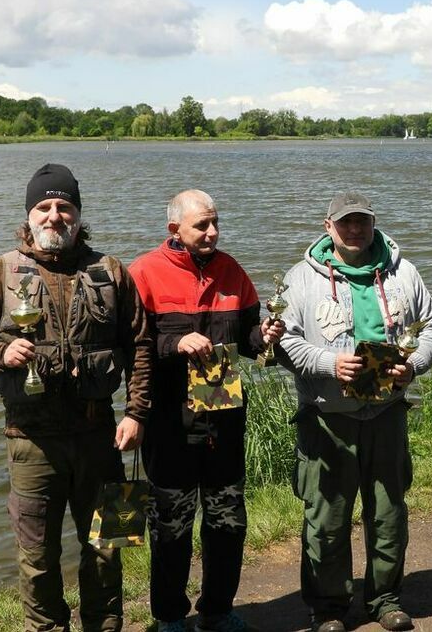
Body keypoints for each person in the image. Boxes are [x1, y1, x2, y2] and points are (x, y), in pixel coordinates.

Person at [0, 163, 152, 632]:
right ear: (29, 215)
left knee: (107, 545)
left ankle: (105, 626)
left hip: (100, 436)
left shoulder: (111, 271)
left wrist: (137, 412)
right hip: (31, 441)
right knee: (37, 556)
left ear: (78, 215)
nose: (54, 215)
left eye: (64, 206)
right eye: (44, 206)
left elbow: (140, 345)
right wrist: (0, 353)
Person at [278, 193, 432, 632]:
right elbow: (284, 342)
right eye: (345, 222)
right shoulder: (301, 278)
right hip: (326, 417)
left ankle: (385, 600)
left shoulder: (403, 272)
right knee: (326, 519)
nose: (355, 230)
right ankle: (328, 608)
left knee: (389, 514)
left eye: (362, 222)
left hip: (387, 414)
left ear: (373, 224)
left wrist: (414, 364)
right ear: (328, 226)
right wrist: (328, 363)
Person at [128, 189, 283, 632]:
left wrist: (265, 336)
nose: (212, 232)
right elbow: (129, 346)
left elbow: (249, 338)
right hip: (169, 425)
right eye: (202, 225)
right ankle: (170, 617)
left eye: (215, 223)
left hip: (224, 420)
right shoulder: (143, 273)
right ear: (174, 229)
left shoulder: (232, 270)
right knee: (170, 528)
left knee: (228, 522)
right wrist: (174, 342)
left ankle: (217, 611)